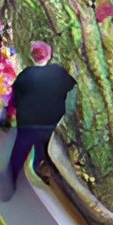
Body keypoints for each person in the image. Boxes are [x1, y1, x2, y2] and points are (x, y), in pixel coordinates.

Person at [6, 41, 75, 187]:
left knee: (20, 149)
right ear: (49, 56)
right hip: (49, 122)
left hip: (27, 122)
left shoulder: (26, 75)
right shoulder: (58, 72)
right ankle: (39, 168)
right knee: (41, 148)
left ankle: (11, 179)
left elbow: (14, 98)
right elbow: (71, 85)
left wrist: (9, 114)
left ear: (32, 57)